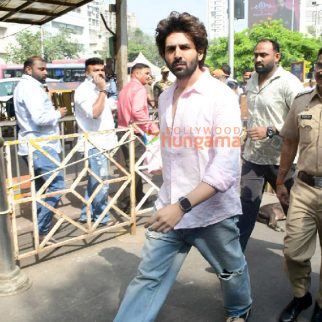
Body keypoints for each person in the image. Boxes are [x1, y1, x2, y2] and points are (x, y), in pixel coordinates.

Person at [113, 11, 252, 322]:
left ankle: (239, 309)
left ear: (199, 51)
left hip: (210, 211)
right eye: (170, 48)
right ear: (164, 54)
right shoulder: (165, 97)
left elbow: (226, 169)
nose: (177, 54)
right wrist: (170, 196)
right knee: (148, 278)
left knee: (230, 271)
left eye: (184, 47)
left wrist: (183, 205)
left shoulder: (220, 97)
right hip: (170, 208)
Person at [238, 39, 303, 251]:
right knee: (246, 206)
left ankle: (297, 255)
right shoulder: (252, 80)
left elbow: (302, 119)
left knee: (293, 209)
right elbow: (253, 113)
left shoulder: (289, 83)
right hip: (253, 157)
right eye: (256, 54)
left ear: (277, 56)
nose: (258, 59)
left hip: (281, 159)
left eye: (263, 55)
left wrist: (271, 130)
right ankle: (235, 258)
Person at [276, 47, 322, 322]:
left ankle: (321, 305)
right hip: (304, 188)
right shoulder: (302, 102)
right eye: (319, 64)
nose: (321, 70)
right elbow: (290, 142)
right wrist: (280, 180)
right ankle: (301, 297)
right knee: (293, 251)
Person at [13, 56, 67, 244]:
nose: (46, 72)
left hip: (34, 145)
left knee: (41, 190)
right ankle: (42, 230)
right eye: (42, 69)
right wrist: (58, 113)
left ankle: (40, 229)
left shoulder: (28, 87)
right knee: (57, 187)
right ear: (29, 70)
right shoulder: (29, 88)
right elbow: (40, 119)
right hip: (40, 145)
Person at [74, 57, 118, 225]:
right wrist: (103, 91)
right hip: (94, 144)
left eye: (101, 70)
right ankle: (102, 216)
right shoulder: (84, 90)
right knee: (101, 183)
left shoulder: (98, 89)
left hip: (104, 141)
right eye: (95, 70)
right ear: (87, 73)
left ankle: (87, 214)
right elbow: (94, 113)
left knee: (95, 182)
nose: (100, 73)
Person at [117, 63, 159, 210]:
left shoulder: (125, 89)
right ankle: (132, 204)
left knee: (130, 168)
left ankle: (133, 199)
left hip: (123, 131)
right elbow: (137, 111)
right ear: (136, 74)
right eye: (146, 73)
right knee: (136, 168)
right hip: (134, 133)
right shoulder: (139, 89)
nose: (149, 76)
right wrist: (151, 125)